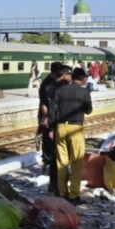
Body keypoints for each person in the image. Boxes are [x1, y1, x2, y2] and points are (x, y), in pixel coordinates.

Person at [50, 67, 93, 204]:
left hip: (61, 127)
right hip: (76, 129)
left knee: (62, 162)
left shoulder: (59, 91)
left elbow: (53, 111)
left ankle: (63, 193)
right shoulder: (84, 92)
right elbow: (88, 110)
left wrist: (52, 128)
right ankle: (74, 195)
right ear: (83, 79)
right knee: (77, 162)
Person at [38, 62, 64, 194]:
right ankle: (47, 165)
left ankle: (52, 169)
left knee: (53, 146)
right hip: (48, 118)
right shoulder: (47, 84)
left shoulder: (55, 82)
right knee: (49, 144)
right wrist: (46, 117)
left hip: (53, 117)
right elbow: (44, 103)